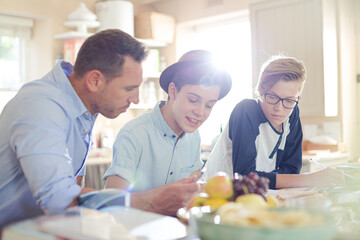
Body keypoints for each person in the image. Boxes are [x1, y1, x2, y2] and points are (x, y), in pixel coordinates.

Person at [0, 29, 148, 227]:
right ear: (95, 80)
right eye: (129, 88)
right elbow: (59, 200)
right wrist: (148, 201)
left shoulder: (85, 106)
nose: (136, 99)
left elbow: (72, 192)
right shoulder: (40, 106)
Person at [103, 50, 232, 216]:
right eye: (193, 100)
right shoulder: (135, 133)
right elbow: (110, 203)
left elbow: (191, 191)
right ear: (173, 91)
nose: (200, 112)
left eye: (209, 105)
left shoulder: (193, 137)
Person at [205, 55, 345, 189]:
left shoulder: (292, 113)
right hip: (218, 193)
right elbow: (244, 176)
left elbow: (292, 169)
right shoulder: (246, 111)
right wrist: (310, 179)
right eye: (272, 97)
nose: (279, 108)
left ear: (298, 99)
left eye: (289, 100)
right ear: (260, 91)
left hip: (257, 194)